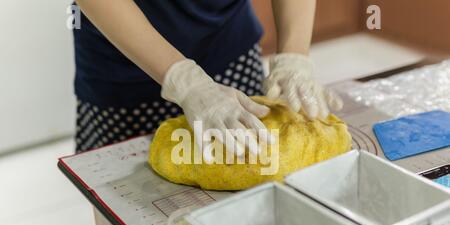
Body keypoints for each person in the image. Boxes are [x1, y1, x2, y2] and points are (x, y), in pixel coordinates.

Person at [73, 0, 342, 156]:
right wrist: (184, 81)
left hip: (229, 45)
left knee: (249, 169)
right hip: (130, 66)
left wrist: (294, 56)